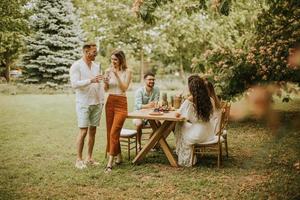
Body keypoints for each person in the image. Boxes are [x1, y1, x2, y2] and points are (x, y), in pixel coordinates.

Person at [69, 43, 104, 169]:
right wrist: (91, 80)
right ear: (86, 51)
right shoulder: (76, 66)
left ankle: (89, 158)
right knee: (83, 131)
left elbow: (98, 82)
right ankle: (79, 160)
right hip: (84, 103)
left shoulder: (96, 66)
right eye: (94, 52)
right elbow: (74, 84)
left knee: (93, 131)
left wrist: (102, 83)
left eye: (96, 51)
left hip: (97, 102)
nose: (96, 54)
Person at [174, 75, 215, 167]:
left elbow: (180, 115)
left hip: (197, 134)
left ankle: (185, 156)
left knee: (179, 125)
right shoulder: (210, 100)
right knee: (184, 126)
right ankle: (190, 153)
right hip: (209, 133)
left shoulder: (189, 100)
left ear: (191, 88)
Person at [104, 50, 132, 173]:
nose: (113, 62)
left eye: (115, 59)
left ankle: (110, 163)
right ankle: (119, 157)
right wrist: (105, 82)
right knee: (110, 131)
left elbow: (124, 88)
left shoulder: (128, 72)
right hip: (110, 101)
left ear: (121, 59)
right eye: (112, 59)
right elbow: (106, 89)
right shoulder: (107, 71)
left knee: (114, 131)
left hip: (121, 102)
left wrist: (116, 75)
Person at [133, 72, 160, 150]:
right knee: (139, 124)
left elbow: (156, 103)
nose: (152, 81)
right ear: (145, 80)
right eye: (149, 79)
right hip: (139, 114)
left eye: (153, 79)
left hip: (151, 114)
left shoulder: (157, 90)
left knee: (158, 124)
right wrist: (148, 106)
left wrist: (152, 106)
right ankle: (139, 144)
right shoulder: (139, 91)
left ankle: (150, 142)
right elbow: (138, 106)